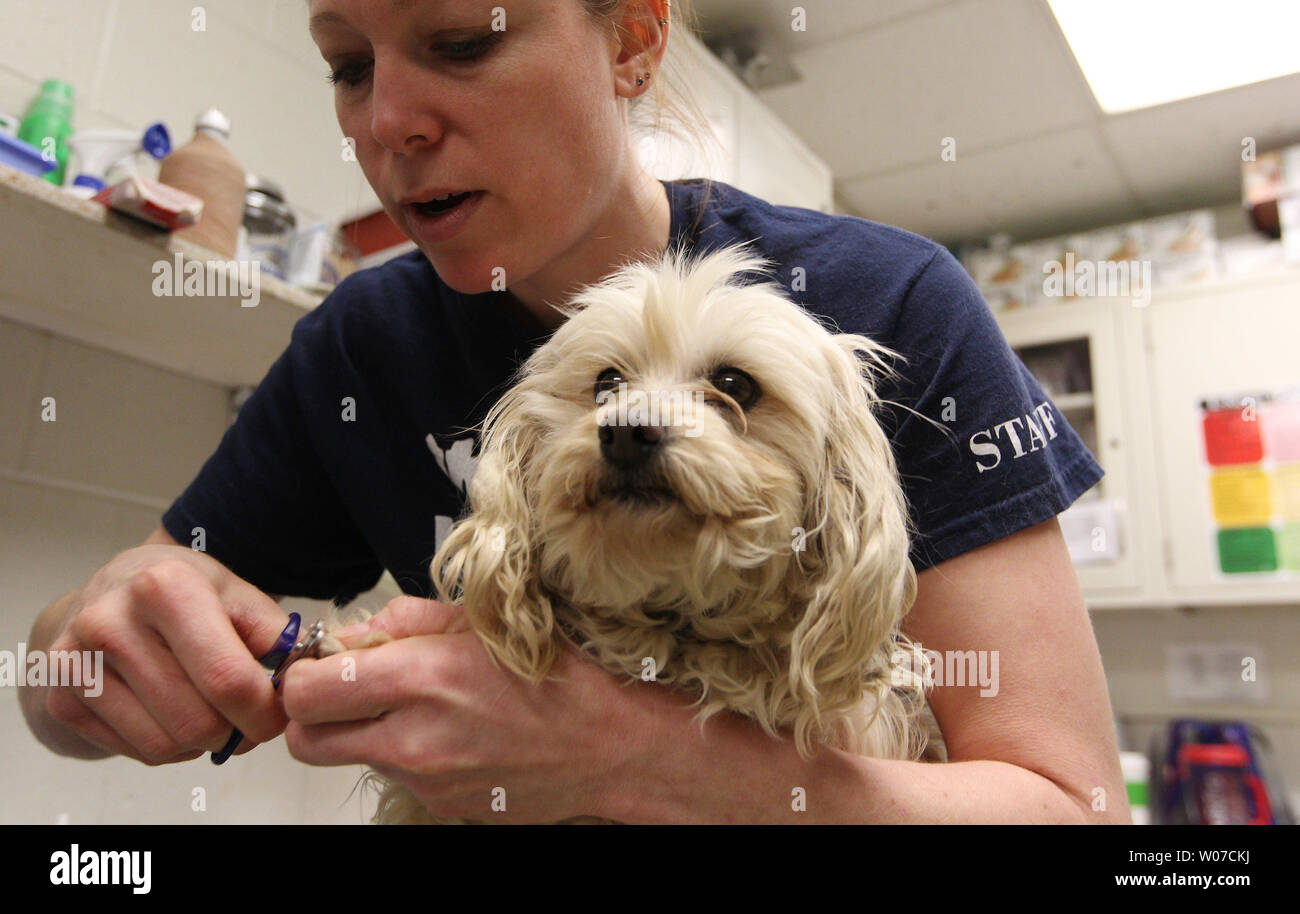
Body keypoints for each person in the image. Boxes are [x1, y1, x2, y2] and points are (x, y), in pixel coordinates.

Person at [20, 0, 1130, 824]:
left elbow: (1074, 811)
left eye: (461, 41)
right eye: (348, 67)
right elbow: (48, 690)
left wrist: (640, 757)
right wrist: (83, 653)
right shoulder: (364, 344)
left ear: (633, 41)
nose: (389, 122)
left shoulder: (888, 302)